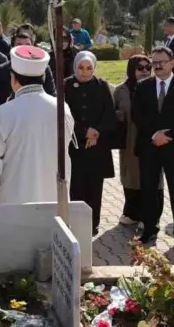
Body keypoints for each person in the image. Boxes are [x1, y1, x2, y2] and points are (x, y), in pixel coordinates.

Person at [0, 45, 74, 224]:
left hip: (12, 203)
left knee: (14, 250)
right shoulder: (62, 109)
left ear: (14, 79)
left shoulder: (2, 113)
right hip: (52, 199)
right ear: (43, 78)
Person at [133, 46, 174, 253]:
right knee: (149, 192)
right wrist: (154, 136)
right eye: (154, 62)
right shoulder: (142, 87)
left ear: (172, 63)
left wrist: (166, 136)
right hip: (149, 148)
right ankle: (149, 230)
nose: (158, 65)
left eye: (162, 61)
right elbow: (137, 116)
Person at [65, 51, 114, 235]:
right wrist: (84, 131)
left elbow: (109, 114)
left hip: (97, 147)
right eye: (81, 67)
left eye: (89, 68)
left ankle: (93, 224)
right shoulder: (67, 86)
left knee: (95, 187)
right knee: (76, 186)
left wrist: (96, 132)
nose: (85, 72)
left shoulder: (101, 86)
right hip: (75, 147)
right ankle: (76, 223)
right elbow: (64, 116)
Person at [113, 55, 158, 227]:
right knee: (130, 177)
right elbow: (113, 112)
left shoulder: (155, 87)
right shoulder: (121, 90)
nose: (145, 71)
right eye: (140, 68)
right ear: (132, 69)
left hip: (150, 140)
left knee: (150, 177)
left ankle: (149, 216)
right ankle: (132, 213)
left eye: (148, 67)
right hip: (130, 141)